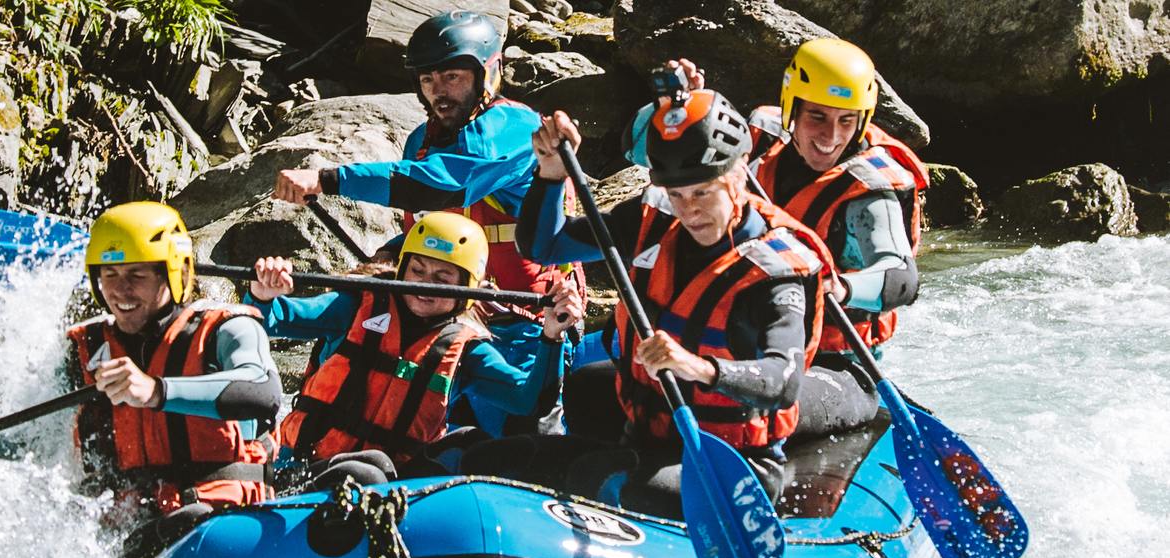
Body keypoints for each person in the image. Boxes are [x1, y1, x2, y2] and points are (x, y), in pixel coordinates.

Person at [493, 90, 836, 517]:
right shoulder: (651, 220)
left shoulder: (776, 271)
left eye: (703, 193)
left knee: (598, 479)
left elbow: (783, 383)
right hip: (646, 438)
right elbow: (544, 246)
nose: (689, 210)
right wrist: (549, 173)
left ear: (737, 177)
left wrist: (696, 366)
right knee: (491, 461)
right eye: (677, 195)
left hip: (735, 466)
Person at [270, 10, 585, 438]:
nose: (439, 92)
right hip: (444, 318)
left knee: (524, 436)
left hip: (521, 321)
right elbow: (432, 225)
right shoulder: (421, 139)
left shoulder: (514, 128)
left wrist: (328, 179)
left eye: (452, 77)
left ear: (486, 76)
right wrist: (393, 250)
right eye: (427, 81)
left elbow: (443, 187)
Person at [0, 202, 284, 530]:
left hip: (220, 519)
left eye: (137, 275)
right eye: (109, 275)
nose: (120, 290)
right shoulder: (84, 350)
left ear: (174, 274)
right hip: (129, 531)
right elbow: (34, 440)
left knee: (188, 520)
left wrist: (154, 391)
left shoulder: (227, 328)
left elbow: (262, 393)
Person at [627, 42, 927, 361]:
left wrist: (840, 288)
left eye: (846, 120)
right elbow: (638, 151)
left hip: (830, 359)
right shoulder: (762, 138)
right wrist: (683, 112)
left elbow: (901, 277)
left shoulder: (870, 194)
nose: (831, 136)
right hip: (735, 332)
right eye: (817, 116)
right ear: (792, 106)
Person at [245, 212, 583, 489]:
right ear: (402, 268)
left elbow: (529, 400)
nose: (424, 284)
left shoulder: (466, 348)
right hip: (306, 468)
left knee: (469, 444)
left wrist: (552, 336)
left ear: (466, 288)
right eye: (417, 270)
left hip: (392, 483)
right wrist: (263, 295)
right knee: (369, 470)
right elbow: (276, 320)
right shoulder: (355, 306)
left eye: (442, 277)